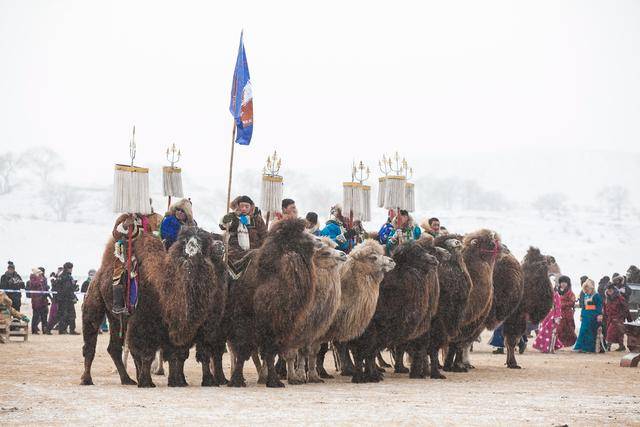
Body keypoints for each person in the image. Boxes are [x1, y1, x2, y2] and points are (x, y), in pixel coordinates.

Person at [220, 195, 268, 263]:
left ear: (251, 207)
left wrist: (263, 250)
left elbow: (264, 235)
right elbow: (223, 226)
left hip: (254, 253)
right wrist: (225, 220)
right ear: (238, 206)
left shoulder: (257, 219)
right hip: (234, 253)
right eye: (242, 206)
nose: (244, 209)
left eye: (246, 206)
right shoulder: (233, 217)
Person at [533, 281, 564, 353]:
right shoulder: (545, 295)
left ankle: (548, 348)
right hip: (545, 315)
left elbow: (558, 307)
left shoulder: (556, 295)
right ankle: (545, 346)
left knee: (548, 331)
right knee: (542, 331)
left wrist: (557, 317)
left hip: (552, 316)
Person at [574, 278, 603, 353]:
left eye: (588, 289)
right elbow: (584, 306)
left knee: (590, 332)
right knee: (582, 331)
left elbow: (599, 306)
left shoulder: (596, 296)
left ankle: (589, 348)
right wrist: (581, 315)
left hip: (593, 316)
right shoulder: (586, 295)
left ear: (591, 288)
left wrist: (599, 314)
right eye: (585, 289)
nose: (586, 291)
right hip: (585, 316)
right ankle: (580, 347)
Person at [604, 282, 630, 352]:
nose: (609, 292)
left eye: (610, 290)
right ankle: (621, 346)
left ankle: (608, 346)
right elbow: (605, 307)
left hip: (618, 318)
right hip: (610, 318)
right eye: (608, 290)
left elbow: (625, 307)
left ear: (613, 289)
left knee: (611, 332)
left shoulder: (619, 297)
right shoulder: (607, 298)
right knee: (618, 332)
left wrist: (621, 316)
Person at [55, 262, 78, 335]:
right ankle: (69, 330)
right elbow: (68, 289)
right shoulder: (67, 277)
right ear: (68, 268)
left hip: (61, 298)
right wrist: (73, 297)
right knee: (70, 315)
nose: (71, 270)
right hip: (67, 299)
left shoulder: (61, 276)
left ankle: (63, 330)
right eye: (71, 268)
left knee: (63, 314)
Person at [26, 267, 50, 334]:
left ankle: (45, 330)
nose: (40, 274)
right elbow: (33, 285)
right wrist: (39, 279)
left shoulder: (44, 278)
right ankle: (34, 330)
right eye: (38, 272)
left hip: (43, 299)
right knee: (36, 316)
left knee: (44, 316)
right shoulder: (32, 278)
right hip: (36, 300)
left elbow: (45, 287)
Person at [556, 275, 577, 347]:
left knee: (569, 328)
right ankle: (559, 342)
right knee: (559, 328)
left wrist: (562, 305)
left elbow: (572, 302)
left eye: (565, 282)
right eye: (562, 282)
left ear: (568, 283)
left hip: (567, 313)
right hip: (558, 313)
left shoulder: (570, 293)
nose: (563, 284)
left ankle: (570, 343)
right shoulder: (556, 291)